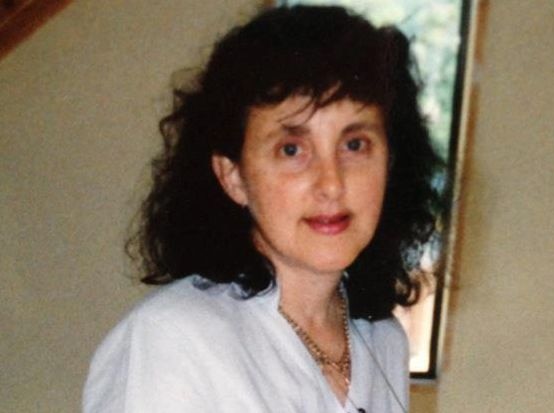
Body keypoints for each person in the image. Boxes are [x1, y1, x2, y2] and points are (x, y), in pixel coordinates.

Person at [83, 4, 440, 413]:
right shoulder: (173, 340)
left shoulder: (382, 339)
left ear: (390, 161)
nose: (332, 184)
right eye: (292, 149)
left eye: (354, 144)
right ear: (233, 176)